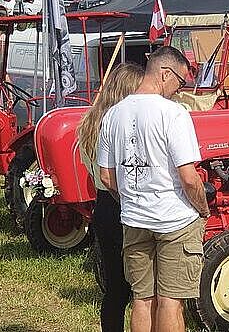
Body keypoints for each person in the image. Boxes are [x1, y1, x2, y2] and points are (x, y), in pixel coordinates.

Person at [97, 46, 210, 332]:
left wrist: (131, 200)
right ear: (165, 73)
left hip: (135, 219)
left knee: (142, 299)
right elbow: (189, 178)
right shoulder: (174, 114)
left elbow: (106, 177)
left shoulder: (113, 115)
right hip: (174, 220)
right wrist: (203, 209)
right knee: (171, 302)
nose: (179, 89)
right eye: (180, 81)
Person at [77, 63, 144, 332]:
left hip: (102, 204)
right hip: (123, 199)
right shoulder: (123, 125)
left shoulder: (89, 123)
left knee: (115, 288)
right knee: (142, 287)